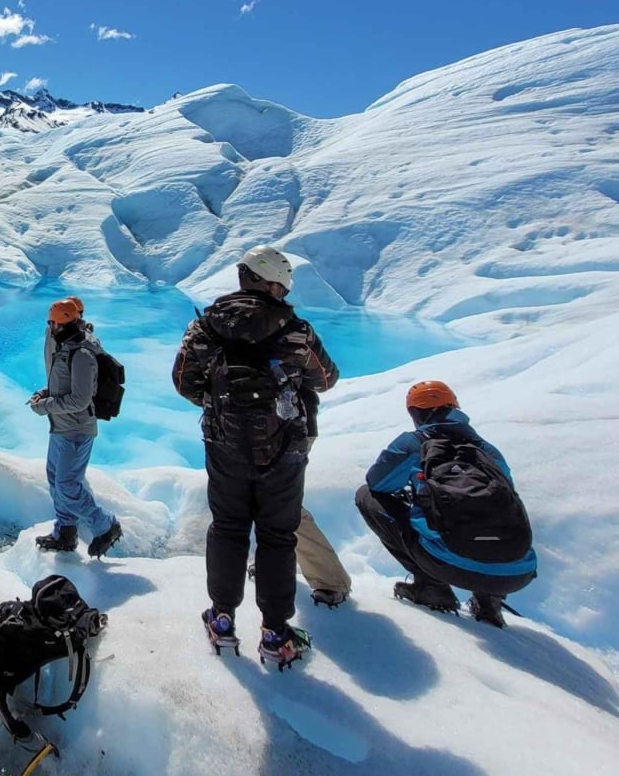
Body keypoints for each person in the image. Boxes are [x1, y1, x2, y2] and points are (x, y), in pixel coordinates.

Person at [173, 245, 339, 668]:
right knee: (277, 536)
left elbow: (184, 381)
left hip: (224, 444)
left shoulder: (206, 327)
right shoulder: (295, 329)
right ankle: (275, 633)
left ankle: (222, 620)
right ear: (274, 283)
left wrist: (220, 404)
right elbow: (326, 378)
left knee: (228, 528)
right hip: (284, 448)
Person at [356, 380, 538, 627]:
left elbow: (378, 484)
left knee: (366, 496)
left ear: (415, 413)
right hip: (516, 570)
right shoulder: (486, 450)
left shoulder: (415, 443)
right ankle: (489, 602)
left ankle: (431, 587)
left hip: (449, 565)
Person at [30, 296, 122, 559]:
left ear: (63, 323)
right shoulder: (66, 346)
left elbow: (80, 399)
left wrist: (45, 405)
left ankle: (106, 526)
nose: (51, 328)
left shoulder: (81, 354)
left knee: (68, 484)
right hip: (61, 427)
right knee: (55, 480)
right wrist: (46, 392)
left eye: (53, 323)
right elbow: (65, 386)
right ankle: (65, 532)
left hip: (77, 429)